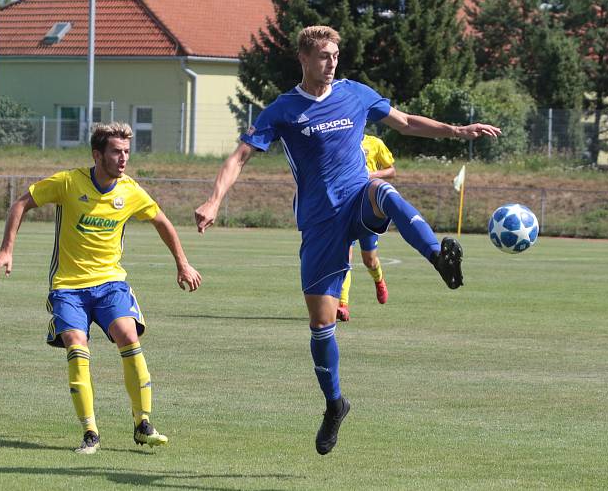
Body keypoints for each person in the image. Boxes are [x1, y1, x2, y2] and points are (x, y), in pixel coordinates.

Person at [194, 25, 499, 456]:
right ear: (304, 58)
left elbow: (407, 122)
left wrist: (456, 130)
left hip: (359, 198)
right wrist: (213, 200)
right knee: (322, 326)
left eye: (336, 54)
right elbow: (240, 156)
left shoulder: (355, 93)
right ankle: (335, 403)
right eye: (323, 55)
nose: (332, 62)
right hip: (320, 224)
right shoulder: (284, 109)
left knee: (384, 192)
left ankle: (438, 256)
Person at [0, 122, 202, 454]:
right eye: (116, 151)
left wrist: (182, 263)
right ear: (97, 154)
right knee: (77, 345)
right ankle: (90, 433)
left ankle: (142, 424)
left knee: (129, 337)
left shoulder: (130, 191)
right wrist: (6, 249)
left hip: (110, 284)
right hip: (68, 287)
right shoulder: (68, 182)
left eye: (127, 152)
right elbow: (20, 204)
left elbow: (162, 221)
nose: (123, 159)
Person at [337, 133, 396, 322]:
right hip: (347, 206)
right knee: (344, 258)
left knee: (369, 260)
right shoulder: (341, 140)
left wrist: (371, 175)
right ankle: (342, 305)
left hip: (368, 208)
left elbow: (391, 171)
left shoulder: (375, 142)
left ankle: (379, 281)